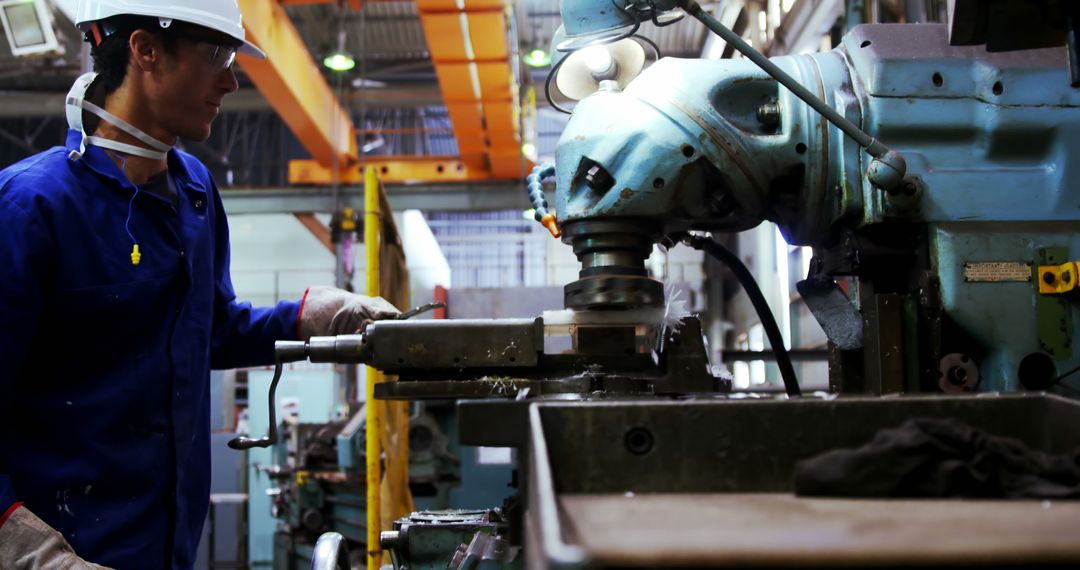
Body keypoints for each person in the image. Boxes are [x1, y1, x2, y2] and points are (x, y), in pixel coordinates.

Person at [0, 1, 398, 567]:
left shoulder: (192, 190)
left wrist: (311, 316)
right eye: (215, 54)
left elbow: (206, 331)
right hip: (67, 549)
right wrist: (28, 552)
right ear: (145, 49)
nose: (232, 80)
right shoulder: (29, 207)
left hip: (166, 547)